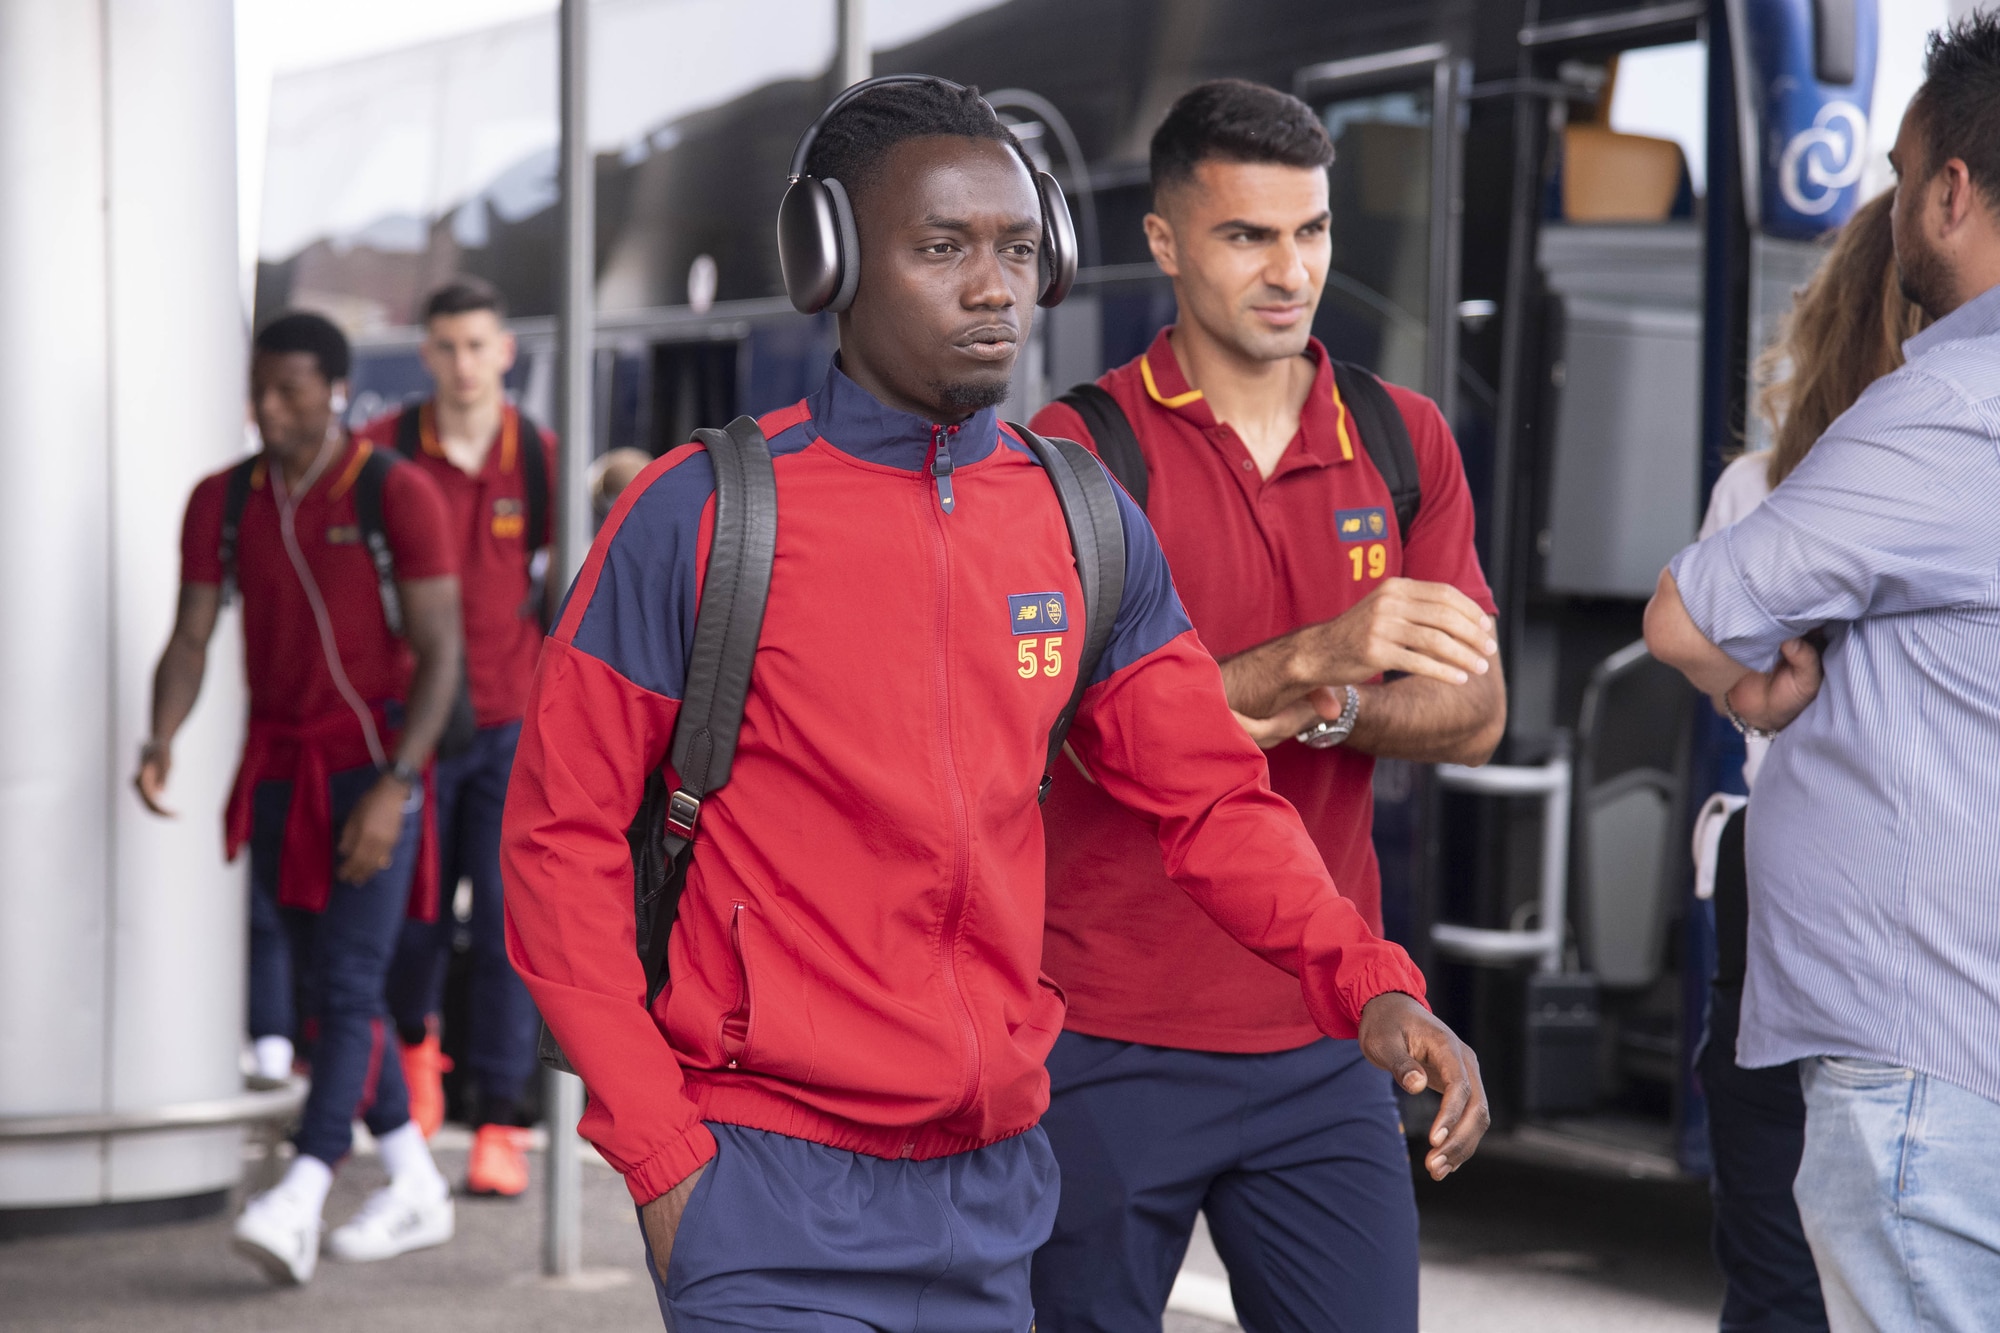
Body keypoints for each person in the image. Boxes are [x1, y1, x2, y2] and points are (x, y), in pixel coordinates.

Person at [502, 77, 1488, 1333]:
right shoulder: (700, 516)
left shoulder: (1080, 521)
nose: (991, 290)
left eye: (1018, 251)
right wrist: (659, 1153)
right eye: (940, 249)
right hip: (761, 1186)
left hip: (993, 1196)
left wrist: (1368, 979)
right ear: (829, 259)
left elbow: (1211, 801)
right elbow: (558, 843)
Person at [1025, 79, 1503, 1333]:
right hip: (1103, 1029)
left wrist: (1321, 706)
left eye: (1312, 231)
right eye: (1247, 235)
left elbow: (1474, 714)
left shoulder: (1400, 439)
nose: (1290, 272)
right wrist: (1322, 657)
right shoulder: (1079, 451)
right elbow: (1083, 733)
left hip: (1323, 1023)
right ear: (1164, 241)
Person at [1646, 15, 2000, 1329]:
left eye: (1900, 175)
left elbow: (1687, 616)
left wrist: (1752, 692)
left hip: (1928, 1058)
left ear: (1950, 192)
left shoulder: (1945, 411)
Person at [136, 312, 462, 1284]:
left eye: (289, 390)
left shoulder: (393, 491)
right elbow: (191, 634)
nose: (267, 409)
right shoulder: (223, 500)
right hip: (280, 769)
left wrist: (396, 785)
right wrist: (161, 735)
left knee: (347, 982)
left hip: (376, 765)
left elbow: (442, 653)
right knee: (328, 985)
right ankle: (415, 1177)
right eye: (259, 389)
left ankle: (301, 1191)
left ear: (334, 390)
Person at [1693, 189, 1924, 1333]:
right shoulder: (1945, 477)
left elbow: (1714, 667)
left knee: (1778, 1266)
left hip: (1779, 887)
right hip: (1909, 904)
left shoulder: (1757, 492)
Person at [361, 278, 555, 1198]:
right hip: (416, 725)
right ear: (426, 353)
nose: (463, 363)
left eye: (478, 344)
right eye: (446, 346)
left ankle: (502, 1121)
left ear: (505, 350)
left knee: (515, 922)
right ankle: (416, 1051)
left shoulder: (540, 458)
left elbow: (564, 581)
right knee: (414, 912)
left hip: (513, 723)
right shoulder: (385, 451)